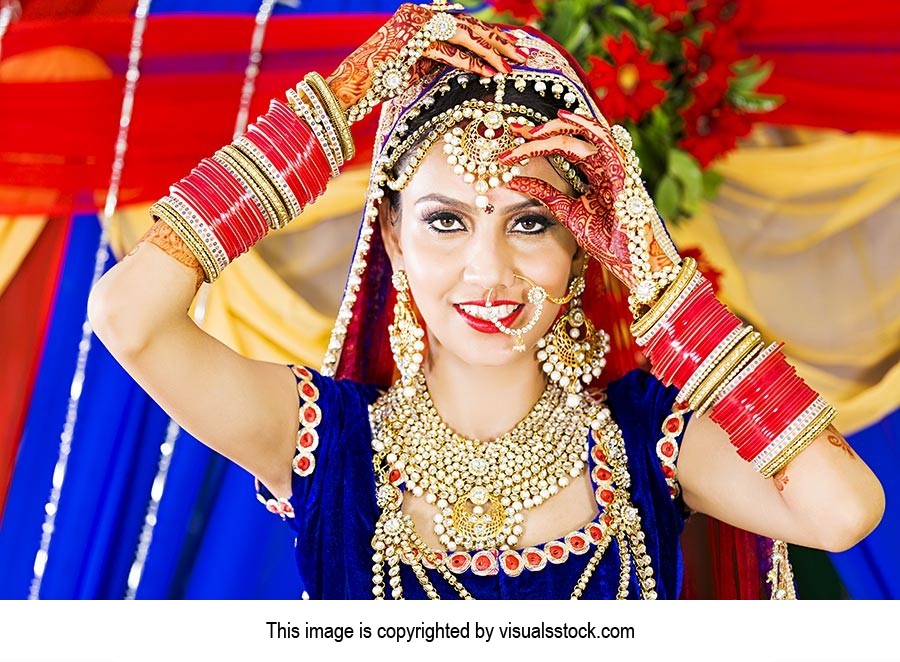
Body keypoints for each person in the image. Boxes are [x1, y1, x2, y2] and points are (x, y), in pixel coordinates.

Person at [87, 3, 884, 599]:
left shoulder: (651, 439)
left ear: (582, 245)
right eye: (446, 222)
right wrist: (335, 105)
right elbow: (128, 318)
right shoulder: (324, 440)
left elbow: (841, 511)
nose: (488, 270)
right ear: (392, 238)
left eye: (531, 222)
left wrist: (651, 264)